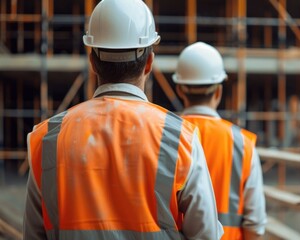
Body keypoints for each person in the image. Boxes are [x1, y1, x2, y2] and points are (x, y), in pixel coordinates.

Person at [23, 1, 223, 239]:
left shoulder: (47, 138)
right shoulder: (180, 138)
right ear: (149, 63)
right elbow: (207, 235)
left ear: (92, 61)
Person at [173, 42, 267, 240]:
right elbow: (255, 225)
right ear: (218, 92)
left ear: (180, 90)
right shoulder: (242, 143)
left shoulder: (165, 137)